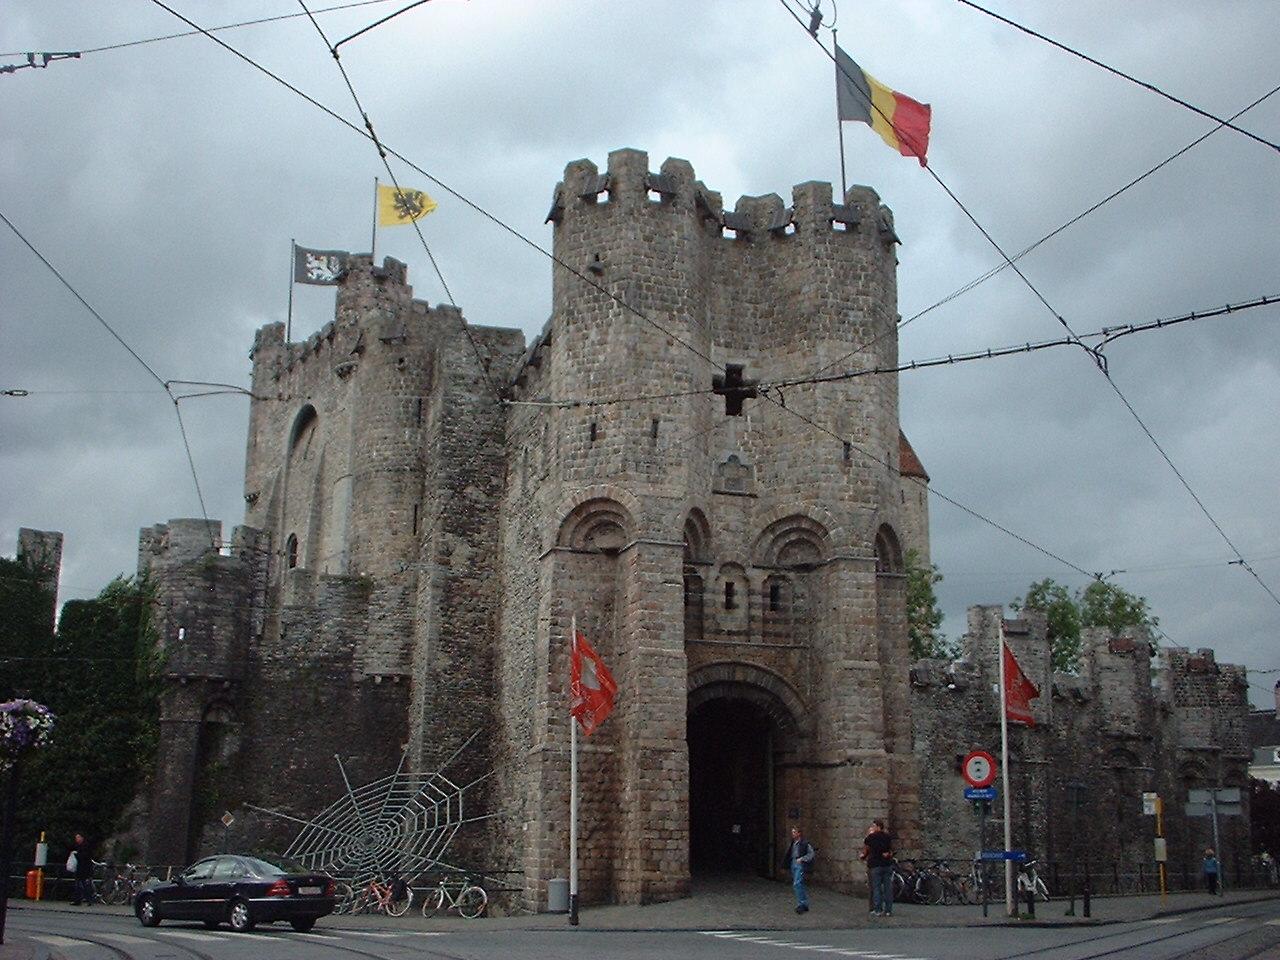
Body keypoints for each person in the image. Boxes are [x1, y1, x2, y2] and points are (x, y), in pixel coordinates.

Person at [861, 819, 894, 916]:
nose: (872, 828)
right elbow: (889, 849)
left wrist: (869, 834)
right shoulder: (887, 837)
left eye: (874, 826)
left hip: (875, 865)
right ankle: (888, 910)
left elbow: (866, 846)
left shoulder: (871, 837)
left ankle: (877, 909)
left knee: (876, 888)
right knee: (888, 888)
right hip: (887, 864)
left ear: (878, 827)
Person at [784, 825, 815, 914]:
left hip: (799, 863)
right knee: (799, 884)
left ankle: (802, 903)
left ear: (799, 833)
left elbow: (811, 854)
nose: (793, 834)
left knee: (797, 883)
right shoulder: (793, 843)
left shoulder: (805, 843)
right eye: (792, 832)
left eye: (794, 832)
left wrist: (802, 859)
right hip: (793, 863)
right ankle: (803, 903)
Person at [69, 833, 94, 906]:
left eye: (78, 837)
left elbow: (84, 856)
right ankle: (79, 900)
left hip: (84, 868)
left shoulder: (85, 846)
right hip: (81, 868)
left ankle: (86, 899)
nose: (76, 839)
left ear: (82, 838)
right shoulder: (80, 846)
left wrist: (76, 854)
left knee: (83, 884)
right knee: (80, 884)